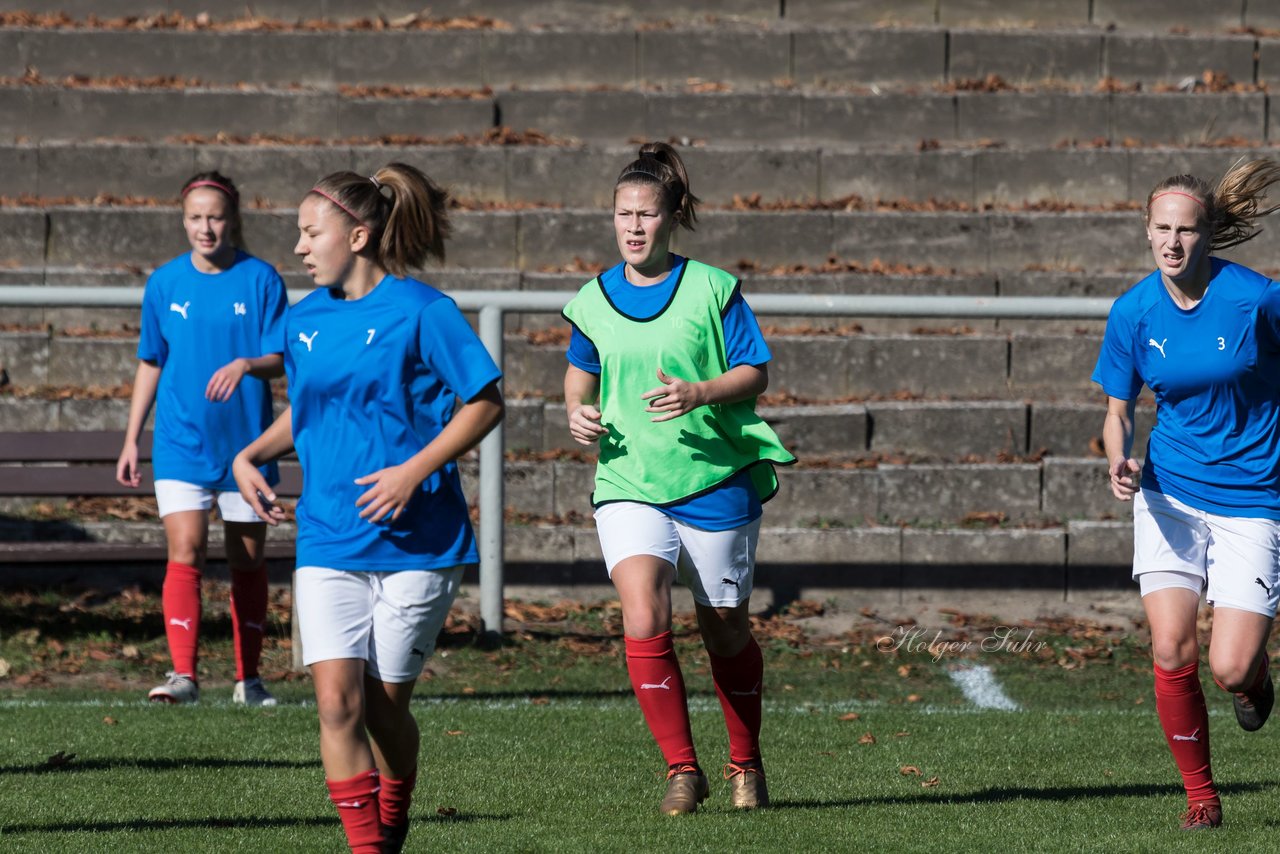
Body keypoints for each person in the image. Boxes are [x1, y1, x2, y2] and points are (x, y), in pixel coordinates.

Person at [232, 163, 503, 854]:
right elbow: (313, 411)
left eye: (308, 232)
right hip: (328, 536)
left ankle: (397, 804)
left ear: (356, 236)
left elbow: (486, 403)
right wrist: (248, 455)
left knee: (383, 710)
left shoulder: (423, 312)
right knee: (336, 704)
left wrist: (414, 471)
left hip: (420, 543)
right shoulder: (304, 319)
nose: (298, 248)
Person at [562, 142, 795, 815]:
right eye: (622, 215)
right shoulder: (593, 300)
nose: (633, 227)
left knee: (724, 628)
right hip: (628, 479)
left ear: (673, 217)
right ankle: (681, 770)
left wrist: (701, 392)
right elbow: (580, 375)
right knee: (643, 613)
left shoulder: (713, 289)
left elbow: (756, 372)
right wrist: (577, 412)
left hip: (713, 478)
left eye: (646, 215)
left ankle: (745, 763)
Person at [1094, 158, 1280, 831]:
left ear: (1210, 236)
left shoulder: (1257, 300)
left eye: (1187, 231)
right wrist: (1119, 459)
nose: (1173, 242)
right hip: (1170, 493)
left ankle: (1256, 680)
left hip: (1254, 497)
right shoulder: (1134, 311)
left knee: (1228, 667)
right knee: (1171, 649)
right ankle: (1201, 797)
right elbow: (1118, 410)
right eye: (1162, 229)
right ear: (1147, 233)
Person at [116, 170, 287, 707]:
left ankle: (248, 680)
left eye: (215, 216)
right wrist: (130, 439)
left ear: (233, 218)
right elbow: (150, 362)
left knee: (246, 561)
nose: (205, 228)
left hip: (245, 449)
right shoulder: (164, 283)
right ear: (182, 220)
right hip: (179, 443)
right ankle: (183, 677)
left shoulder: (261, 279)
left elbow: (282, 357)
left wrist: (246, 364)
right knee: (185, 551)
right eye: (195, 217)